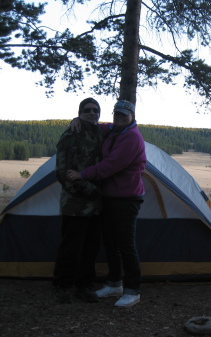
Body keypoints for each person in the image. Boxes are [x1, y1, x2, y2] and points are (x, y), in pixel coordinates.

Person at [67, 100, 146, 307]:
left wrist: (82, 174)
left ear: (132, 117)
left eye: (124, 115)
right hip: (110, 196)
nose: (119, 117)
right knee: (111, 243)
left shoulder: (132, 137)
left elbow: (109, 166)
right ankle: (114, 284)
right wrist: (77, 120)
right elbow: (97, 126)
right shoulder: (114, 130)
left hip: (126, 198)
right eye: (117, 114)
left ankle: (133, 290)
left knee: (126, 245)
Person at [53, 97, 103, 304]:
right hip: (75, 203)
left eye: (95, 110)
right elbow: (62, 173)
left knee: (90, 247)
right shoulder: (71, 135)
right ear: (80, 113)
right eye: (86, 110)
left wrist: (96, 195)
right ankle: (63, 286)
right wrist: (90, 190)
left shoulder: (101, 133)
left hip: (96, 206)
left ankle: (84, 286)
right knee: (71, 247)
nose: (92, 113)